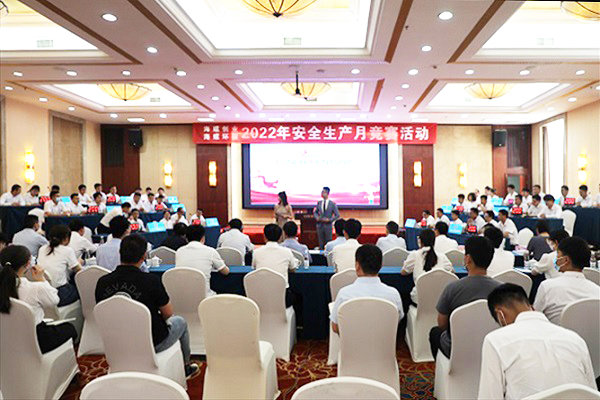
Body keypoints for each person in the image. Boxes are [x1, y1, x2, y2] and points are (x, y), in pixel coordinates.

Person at [95, 235, 199, 378]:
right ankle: (186, 366)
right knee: (180, 321)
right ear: (144, 256)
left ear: (120, 253)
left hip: (117, 343)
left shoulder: (102, 282)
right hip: (152, 342)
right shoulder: (151, 281)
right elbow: (168, 313)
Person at [478, 284, 596, 400]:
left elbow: (489, 396)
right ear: (532, 308)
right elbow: (592, 393)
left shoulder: (496, 341)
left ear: (500, 315)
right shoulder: (576, 339)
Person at [429, 236, 501, 358]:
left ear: (467, 259)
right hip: (492, 348)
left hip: (457, 348)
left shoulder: (453, 288)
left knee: (435, 332)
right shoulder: (503, 291)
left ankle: (443, 366)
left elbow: (442, 324)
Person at [0, 245, 77, 353]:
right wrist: (41, 279)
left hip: (7, 337)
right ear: (28, 264)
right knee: (70, 329)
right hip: (35, 337)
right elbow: (54, 300)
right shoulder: (35, 288)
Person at [330, 244, 403, 334]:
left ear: (357, 265)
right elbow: (396, 321)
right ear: (381, 266)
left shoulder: (344, 294)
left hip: (352, 342)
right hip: (382, 342)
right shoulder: (393, 294)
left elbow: (335, 327)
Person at [533, 236, 600, 324]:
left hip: (555, 332)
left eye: (558, 255)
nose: (556, 259)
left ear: (565, 260)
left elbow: (534, 319)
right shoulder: (597, 291)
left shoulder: (547, 287)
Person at [252, 224, 299, 307]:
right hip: (282, 296)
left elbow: (255, 268)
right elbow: (293, 269)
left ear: (264, 237)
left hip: (261, 296)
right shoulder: (286, 252)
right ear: (280, 237)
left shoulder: (256, 252)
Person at [175, 225, 229, 297]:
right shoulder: (211, 251)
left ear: (186, 239)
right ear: (203, 238)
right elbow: (225, 272)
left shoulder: (179, 251)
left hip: (182, 297)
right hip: (204, 297)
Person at [402, 229, 453, 304]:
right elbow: (452, 271)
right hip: (440, 300)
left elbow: (404, 272)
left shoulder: (415, 255)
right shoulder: (442, 257)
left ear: (420, 242)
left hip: (419, 299)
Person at [37, 224, 82, 306]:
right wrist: (79, 263)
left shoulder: (42, 249)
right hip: (60, 293)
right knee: (81, 289)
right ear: (66, 238)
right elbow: (79, 270)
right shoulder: (67, 250)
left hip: (44, 291)